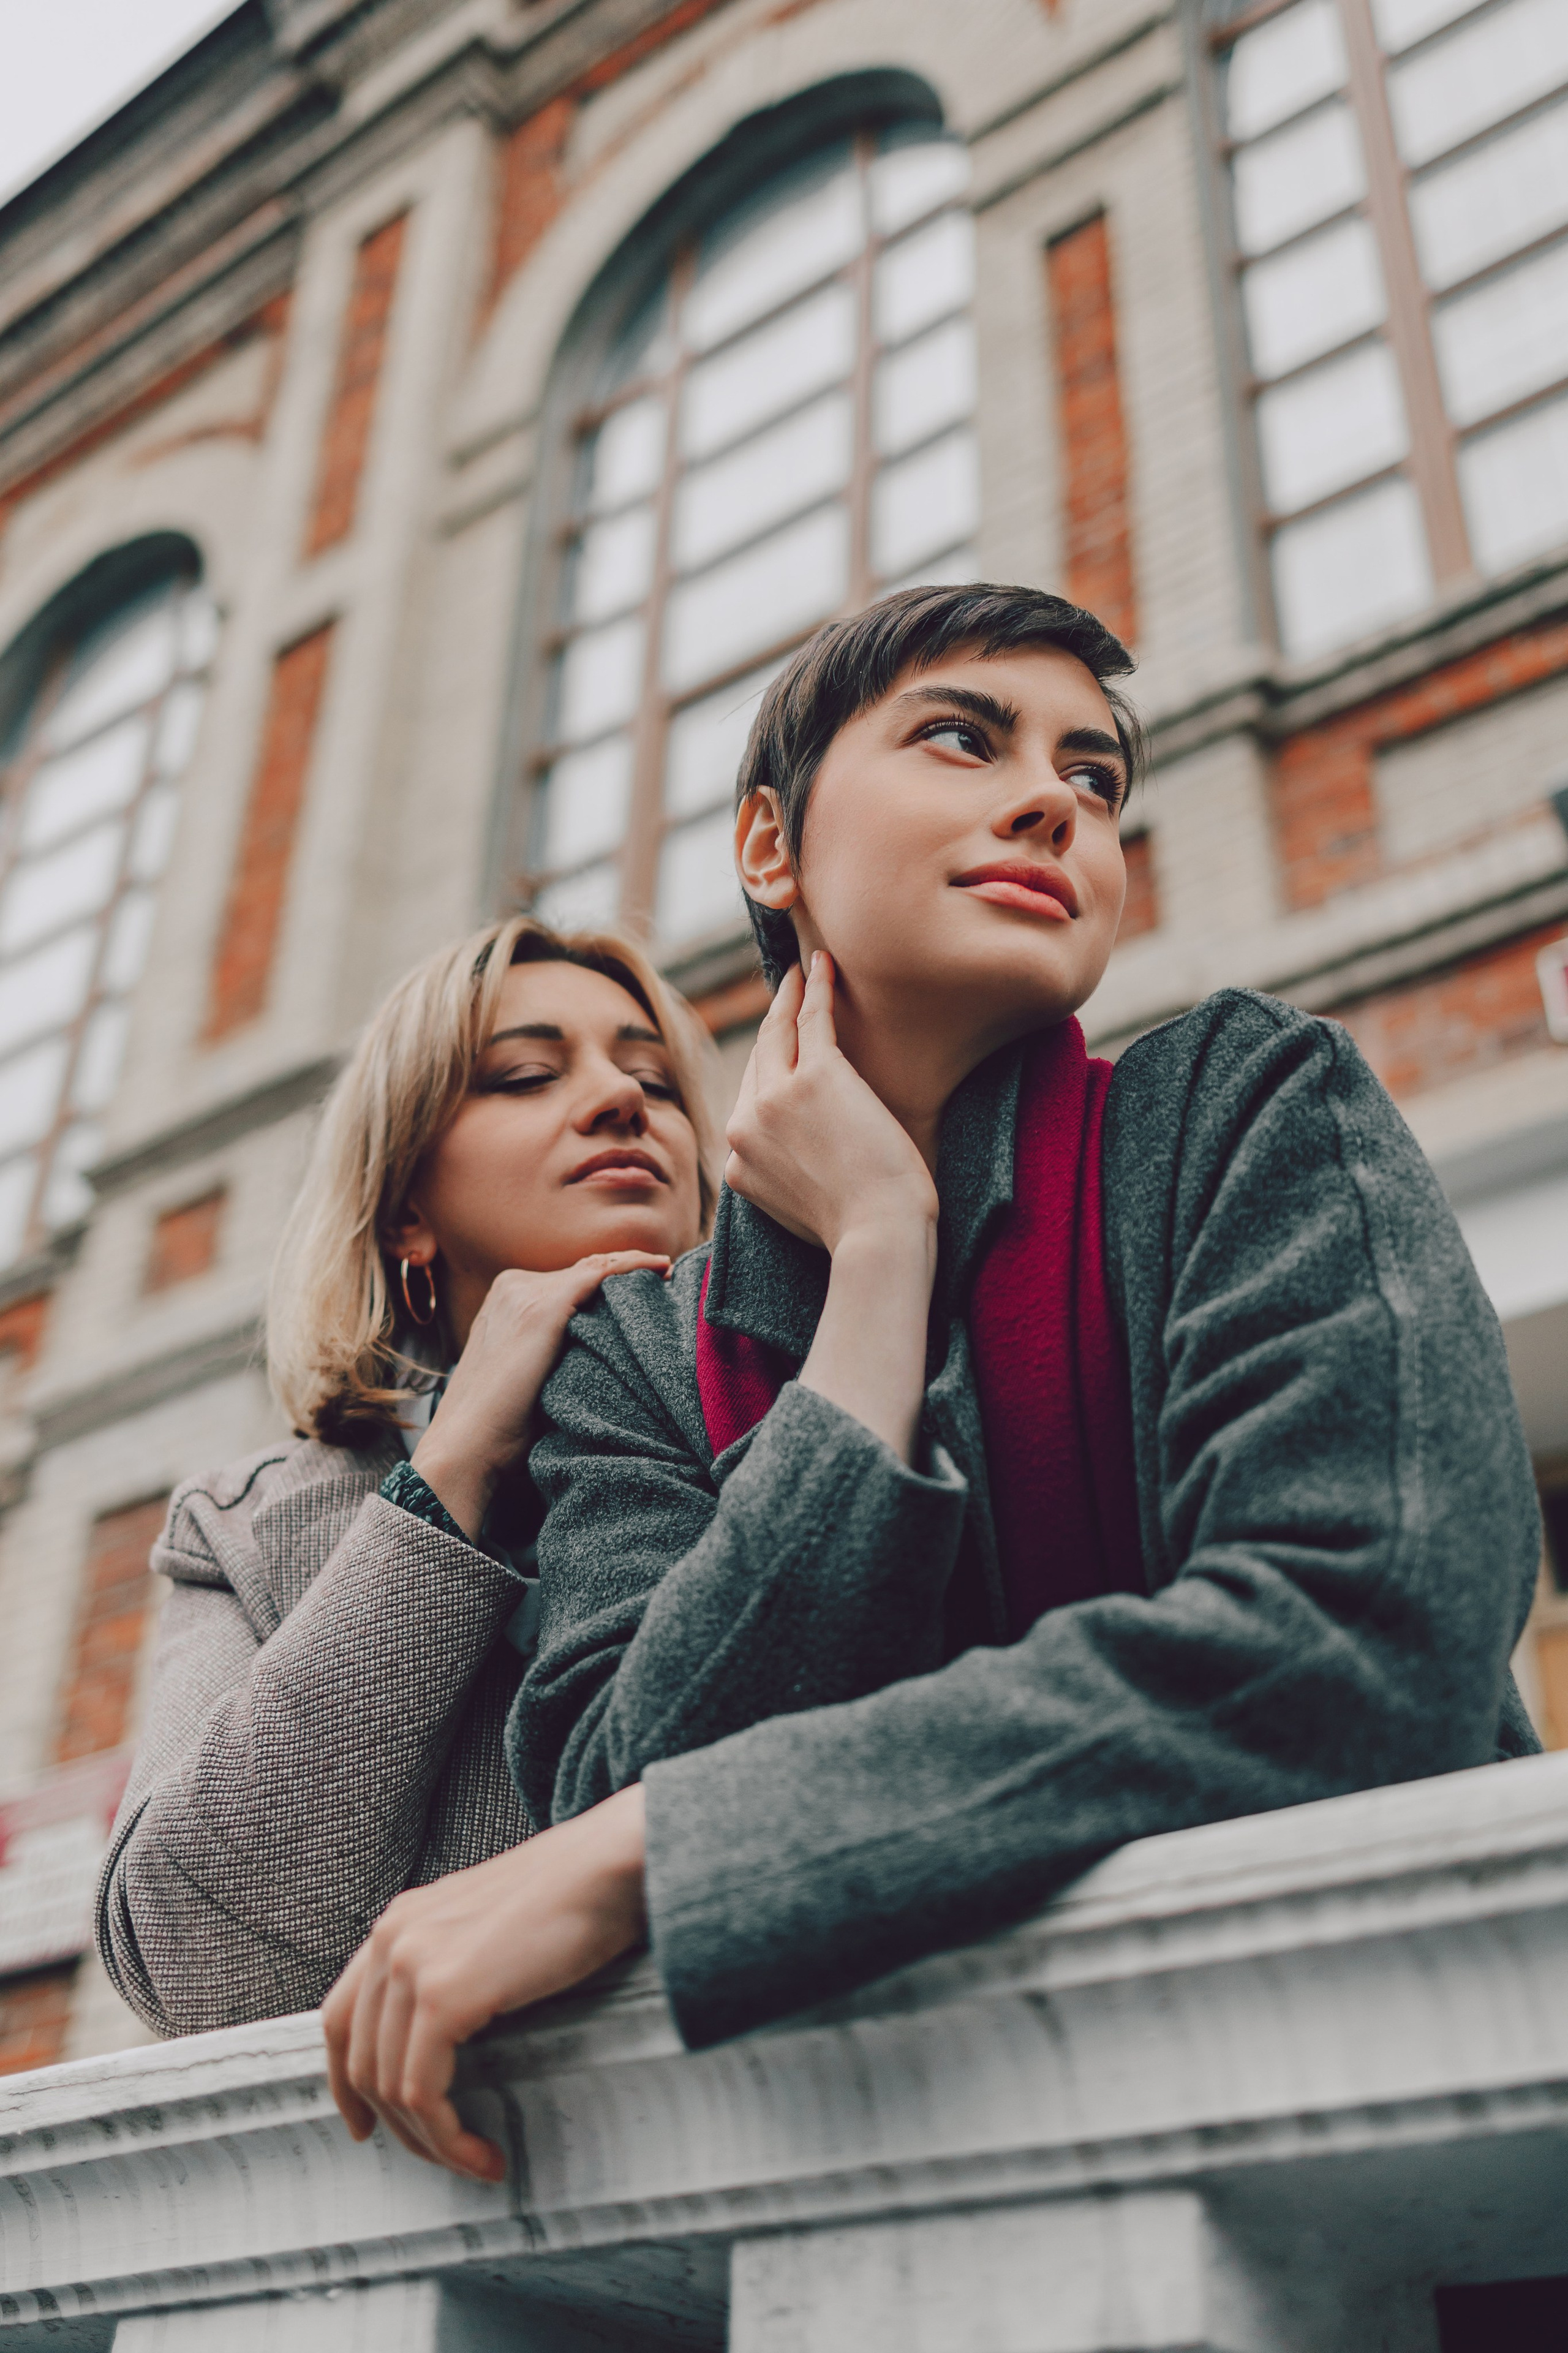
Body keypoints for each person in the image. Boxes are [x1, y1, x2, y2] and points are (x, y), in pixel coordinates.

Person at [321, 584, 1541, 2183]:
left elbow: (1367, 1629)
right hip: (898, 2196)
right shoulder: (633, 1355)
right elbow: (614, 1772)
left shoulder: (1249, 1108)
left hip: (1413, 2153)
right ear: (771, 844)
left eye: (1097, 778)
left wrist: (668, 1856)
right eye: (963, 739)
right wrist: (878, 1279)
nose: (1054, 799)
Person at [97, 916, 714, 2034]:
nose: (622, 1101)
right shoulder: (246, 1529)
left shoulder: (825, 1402)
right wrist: (452, 1472)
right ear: (407, 1211)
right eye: (526, 1074)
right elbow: (202, 1972)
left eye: (656, 1078)